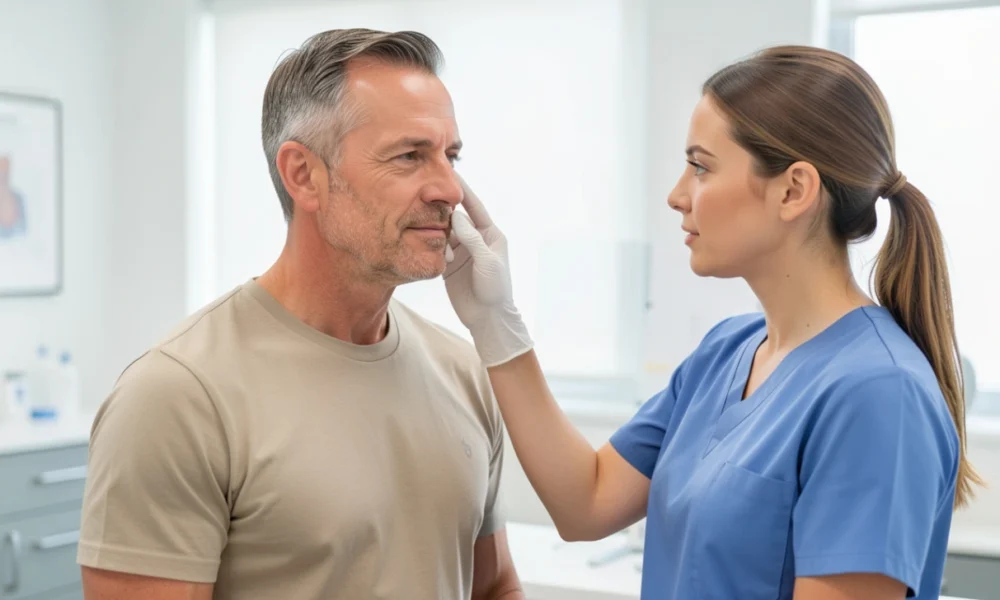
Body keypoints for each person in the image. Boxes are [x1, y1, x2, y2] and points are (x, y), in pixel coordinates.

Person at [443, 45, 981, 600]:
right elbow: (587, 503)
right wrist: (495, 321)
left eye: (700, 166)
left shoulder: (877, 394)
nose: (677, 196)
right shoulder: (726, 352)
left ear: (794, 190)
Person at [78, 28, 523, 600]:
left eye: (451, 155)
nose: (449, 189)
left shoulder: (464, 371)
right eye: (410, 156)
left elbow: (496, 588)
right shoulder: (176, 397)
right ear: (303, 175)